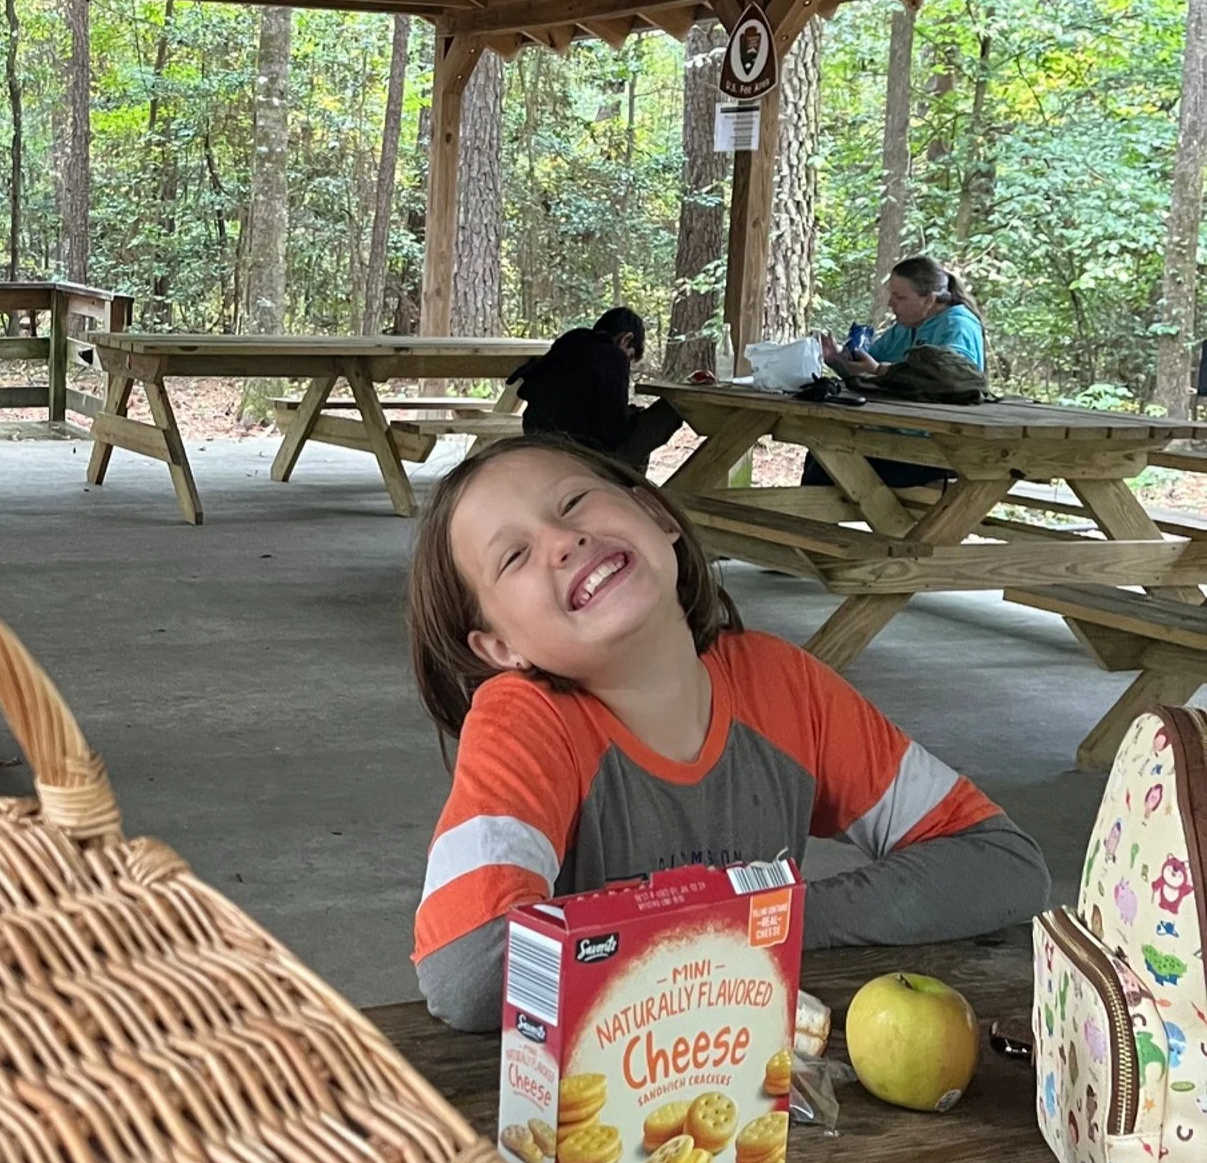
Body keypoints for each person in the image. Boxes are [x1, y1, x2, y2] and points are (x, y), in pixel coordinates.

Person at [405, 435, 1050, 1032]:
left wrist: (772, 921)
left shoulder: (783, 684)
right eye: (514, 555)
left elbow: (1002, 864)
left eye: (573, 501)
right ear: (500, 646)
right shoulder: (524, 720)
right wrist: (743, 924)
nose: (563, 538)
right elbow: (470, 968)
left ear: (655, 514)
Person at [805, 255, 987, 490]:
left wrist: (881, 370)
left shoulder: (958, 325)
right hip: (899, 439)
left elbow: (951, 379)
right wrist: (840, 359)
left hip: (939, 450)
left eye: (900, 297)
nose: (891, 303)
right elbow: (871, 363)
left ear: (929, 299)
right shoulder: (906, 326)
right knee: (820, 452)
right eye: (891, 294)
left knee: (828, 464)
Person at [510, 306, 681, 472]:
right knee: (669, 411)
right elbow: (616, 432)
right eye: (630, 356)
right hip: (584, 454)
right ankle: (623, 486)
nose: (627, 362)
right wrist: (632, 417)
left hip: (539, 442)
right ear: (626, 340)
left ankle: (627, 485)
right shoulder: (613, 357)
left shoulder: (568, 343)